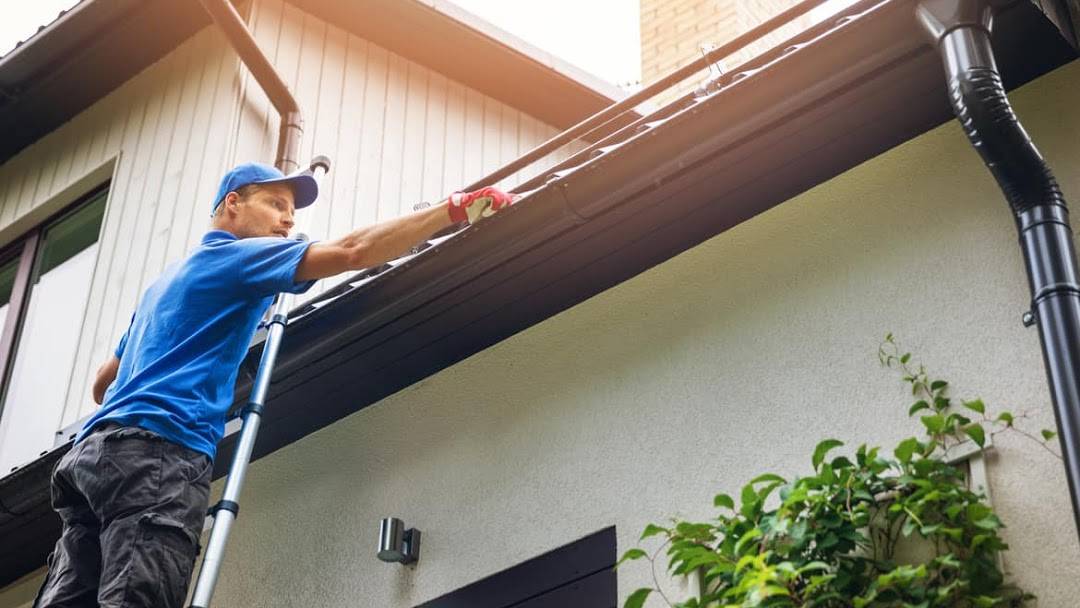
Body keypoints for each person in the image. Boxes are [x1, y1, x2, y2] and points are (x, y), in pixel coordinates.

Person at [33, 162, 515, 608]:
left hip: (91, 459)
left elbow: (102, 383)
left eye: (292, 211)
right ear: (231, 204)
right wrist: (452, 208)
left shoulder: (163, 285)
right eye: (276, 205)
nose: (287, 220)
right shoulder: (240, 259)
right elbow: (353, 250)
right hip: (158, 454)